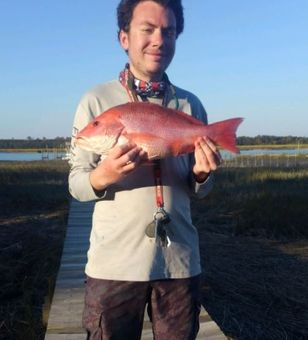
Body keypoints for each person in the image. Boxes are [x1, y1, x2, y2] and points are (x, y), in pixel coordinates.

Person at [69, 0, 221, 339]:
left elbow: (201, 189)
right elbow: (76, 184)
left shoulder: (190, 104)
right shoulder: (95, 101)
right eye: (147, 29)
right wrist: (103, 175)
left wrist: (201, 175)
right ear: (124, 37)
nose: (159, 40)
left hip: (179, 261)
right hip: (114, 266)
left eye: (168, 31)